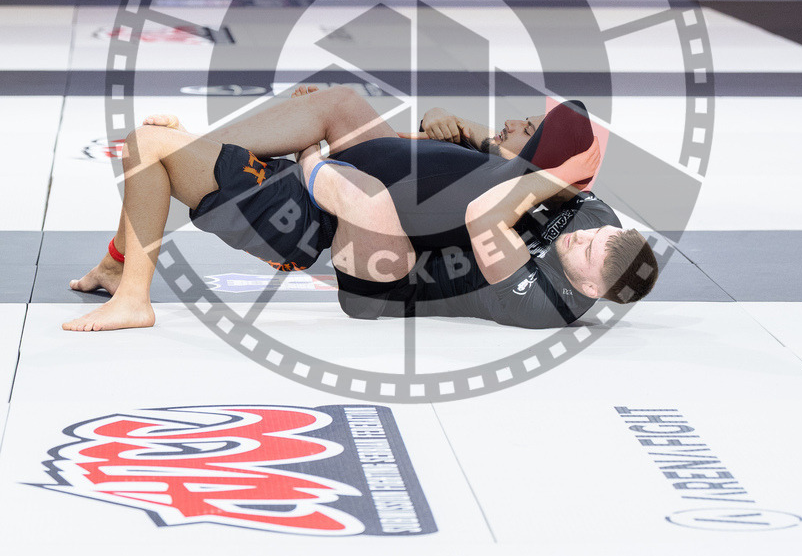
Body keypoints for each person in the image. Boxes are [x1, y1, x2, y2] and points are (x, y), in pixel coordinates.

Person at [63, 85, 657, 331]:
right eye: (592, 235)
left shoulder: (544, 296)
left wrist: (314, 162)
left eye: (585, 253)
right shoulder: (593, 219)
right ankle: (127, 255)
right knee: (339, 100)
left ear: (591, 288)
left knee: (147, 148)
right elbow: (465, 179)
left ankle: (134, 299)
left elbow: (481, 214)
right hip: (369, 201)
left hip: (363, 248)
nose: (578, 239)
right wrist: (476, 140)